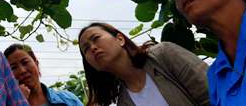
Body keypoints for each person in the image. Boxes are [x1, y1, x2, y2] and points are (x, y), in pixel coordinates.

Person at [77, 22, 210, 106]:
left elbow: (213, 94)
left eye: (96, 38)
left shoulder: (163, 55)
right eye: (86, 49)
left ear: (120, 39)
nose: (93, 48)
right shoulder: (124, 102)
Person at [4, 44, 83, 106]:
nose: (22, 71)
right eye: (13, 68)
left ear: (36, 63)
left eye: (25, 62)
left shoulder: (68, 100)